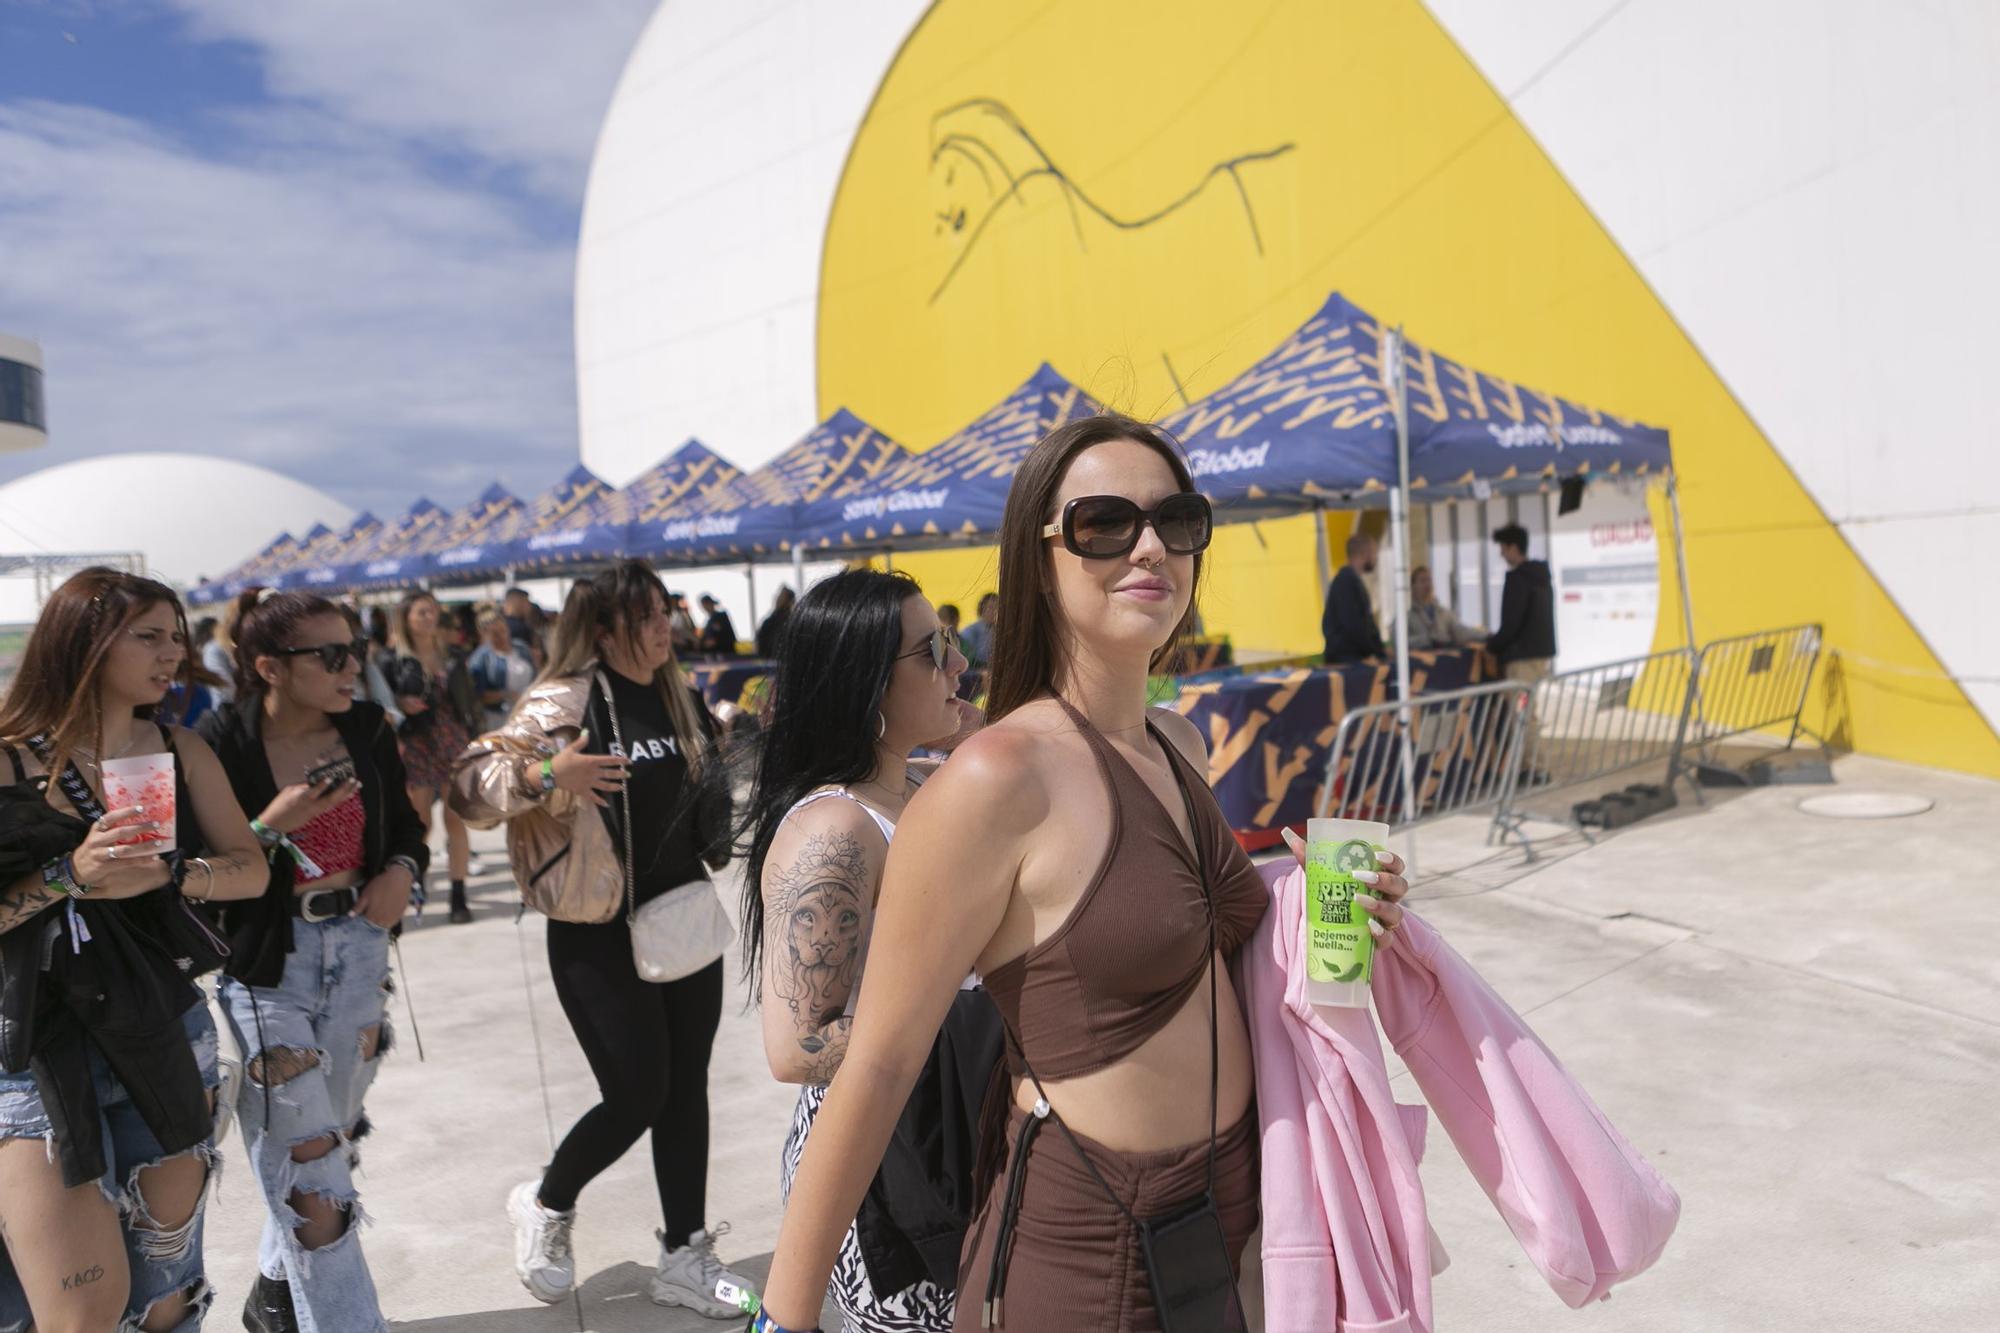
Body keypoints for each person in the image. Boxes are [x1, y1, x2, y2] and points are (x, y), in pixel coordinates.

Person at [755, 415, 1410, 1333]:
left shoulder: (1177, 744)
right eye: (1105, 522)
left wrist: (1314, 903)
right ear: (1040, 559)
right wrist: (783, 1320)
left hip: (1237, 1217)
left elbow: (1182, 935)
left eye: (1177, 519)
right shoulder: (995, 779)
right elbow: (876, 1068)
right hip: (1087, 1247)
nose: (1150, 546)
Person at [448, 561, 755, 1318]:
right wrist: (551, 771)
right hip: (596, 929)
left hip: (680, 914)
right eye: (649, 614)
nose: (665, 626)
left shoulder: (676, 690)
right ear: (608, 625)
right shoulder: (564, 698)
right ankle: (547, 1202)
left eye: (666, 612)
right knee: (637, 1091)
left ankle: (685, 1252)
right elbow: (467, 784)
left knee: (686, 1091)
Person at [0, 567, 267, 1333]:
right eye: (148, 635)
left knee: (162, 1297)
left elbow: (249, 868)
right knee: (80, 1311)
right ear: (82, 641)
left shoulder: (178, 749)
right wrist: (68, 875)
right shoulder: (10, 758)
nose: (172, 653)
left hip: (161, 1031)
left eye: (177, 635)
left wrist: (179, 873)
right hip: (37, 1054)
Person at [741, 569, 978, 1331]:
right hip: (885, 1162)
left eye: (951, 641)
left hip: (946, 1129)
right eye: (933, 649)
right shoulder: (835, 830)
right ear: (867, 682)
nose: (959, 664)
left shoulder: (917, 785)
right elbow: (795, 1045)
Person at [198, 588, 429, 1333]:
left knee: (335, 1134)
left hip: (358, 949)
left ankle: (275, 1294)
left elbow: (409, 829)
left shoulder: (365, 726)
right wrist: (272, 823)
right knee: (312, 1170)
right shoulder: (221, 740)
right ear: (269, 666)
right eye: (329, 655)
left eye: (353, 650)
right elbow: (194, 868)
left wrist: (399, 867)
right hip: (270, 969)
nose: (351, 666)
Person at [381, 589, 480, 923]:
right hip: (415, 743)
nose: (429, 617)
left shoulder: (451, 655)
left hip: (452, 739)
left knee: (456, 819)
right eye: (421, 612)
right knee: (420, 822)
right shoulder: (392, 659)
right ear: (406, 617)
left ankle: (458, 894)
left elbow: (468, 700)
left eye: (432, 611)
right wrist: (400, 705)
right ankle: (418, 881)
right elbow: (382, 703)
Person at [1486, 524, 1557, 683]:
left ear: (1513, 547)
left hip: (1521, 657)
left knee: (1518, 705)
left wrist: (1492, 646)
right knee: (1528, 704)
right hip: (1539, 654)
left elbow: (1512, 622)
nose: (1501, 554)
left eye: (1503, 548)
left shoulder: (1518, 579)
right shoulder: (1540, 577)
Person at [1321, 531, 1386, 663]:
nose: (1376, 558)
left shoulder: (1352, 581)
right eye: (1374, 553)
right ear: (1364, 553)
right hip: (1347, 659)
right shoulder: (1345, 581)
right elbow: (1352, 623)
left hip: (1353, 657)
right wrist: (1372, 651)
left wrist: (1379, 651)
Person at [469, 609, 537, 730]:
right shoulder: (480, 659)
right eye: (495, 633)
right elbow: (479, 695)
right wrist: (507, 695)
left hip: (528, 711)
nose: (502, 636)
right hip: (500, 718)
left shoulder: (521, 647)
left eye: (503, 630)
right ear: (484, 634)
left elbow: (535, 674)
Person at [1407, 565, 1485, 651]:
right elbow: (1400, 642)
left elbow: (1461, 632)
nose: (1427, 585)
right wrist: (1428, 639)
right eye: (1422, 581)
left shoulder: (1443, 613)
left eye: (1429, 580)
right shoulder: (1407, 616)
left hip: (1444, 660)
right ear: (1413, 586)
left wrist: (1485, 636)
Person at [956, 593, 997, 669]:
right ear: (982, 609)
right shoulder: (971, 631)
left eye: (996, 608)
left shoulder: (999, 630)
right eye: (990, 607)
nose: (994, 611)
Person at [756, 586, 796, 660]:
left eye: (781, 597)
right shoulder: (769, 622)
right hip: (771, 662)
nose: (778, 599)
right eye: (779, 596)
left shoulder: (793, 623)